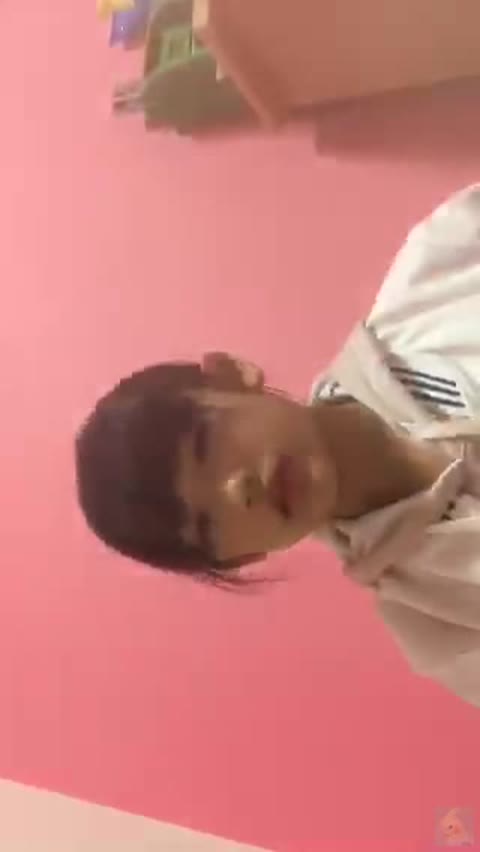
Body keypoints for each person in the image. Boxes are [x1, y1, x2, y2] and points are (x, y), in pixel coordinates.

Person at [76, 184, 480, 708]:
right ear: (243, 556)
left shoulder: (443, 266)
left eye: (207, 445)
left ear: (233, 374)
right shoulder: (437, 625)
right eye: (208, 524)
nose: (238, 490)